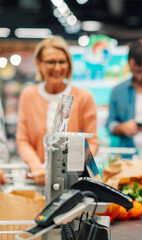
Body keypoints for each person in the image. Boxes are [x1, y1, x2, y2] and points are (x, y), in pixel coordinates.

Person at [16, 36, 99, 185]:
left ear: (69, 64)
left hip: (72, 182)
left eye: (62, 62)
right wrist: (35, 167)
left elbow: (92, 141)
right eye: (50, 62)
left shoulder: (84, 97)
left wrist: (71, 168)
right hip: (36, 180)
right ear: (39, 63)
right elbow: (23, 140)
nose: (57, 68)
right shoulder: (28, 95)